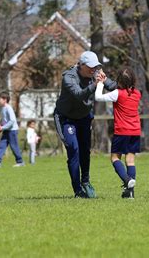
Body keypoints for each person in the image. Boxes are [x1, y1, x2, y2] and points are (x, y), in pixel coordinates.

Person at [54, 51, 117, 198]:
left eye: (96, 67)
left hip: (83, 118)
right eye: (90, 67)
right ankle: (78, 190)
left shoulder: (96, 72)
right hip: (66, 118)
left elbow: (112, 86)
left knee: (85, 151)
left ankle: (86, 181)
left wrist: (126, 85)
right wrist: (96, 84)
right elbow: (79, 94)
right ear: (81, 65)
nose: (94, 70)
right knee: (74, 149)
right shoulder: (69, 77)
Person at [95, 67, 141, 199]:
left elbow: (98, 97)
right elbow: (125, 89)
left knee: (115, 158)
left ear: (119, 81)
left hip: (122, 130)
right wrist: (106, 80)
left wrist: (100, 83)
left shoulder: (117, 93)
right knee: (130, 160)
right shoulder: (137, 93)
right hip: (135, 131)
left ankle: (127, 180)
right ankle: (130, 193)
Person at [0, 92, 25, 168]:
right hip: (6, 130)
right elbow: (4, 120)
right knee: (1, 145)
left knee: (14, 146)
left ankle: (20, 162)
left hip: (12, 130)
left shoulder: (9, 108)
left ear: (5, 100)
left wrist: (2, 127)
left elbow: (12, 121)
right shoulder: (3, 108)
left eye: (0, 99)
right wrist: (0, 125)